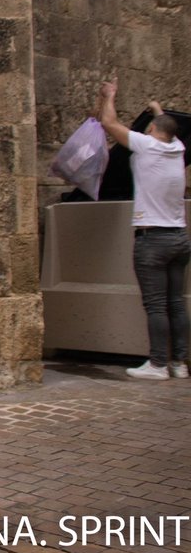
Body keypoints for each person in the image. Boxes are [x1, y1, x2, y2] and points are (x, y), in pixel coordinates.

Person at [98, 80, 189, 380]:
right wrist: (156, 110)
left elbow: (109, 123)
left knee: (155, 305)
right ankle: (180, 363)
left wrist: (109, 95)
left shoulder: (146, 146)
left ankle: (158, 365)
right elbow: (166, 126)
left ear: (150, 132)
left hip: (153, 240)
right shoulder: (177, 148)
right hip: (179, 237)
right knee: (175, 303)